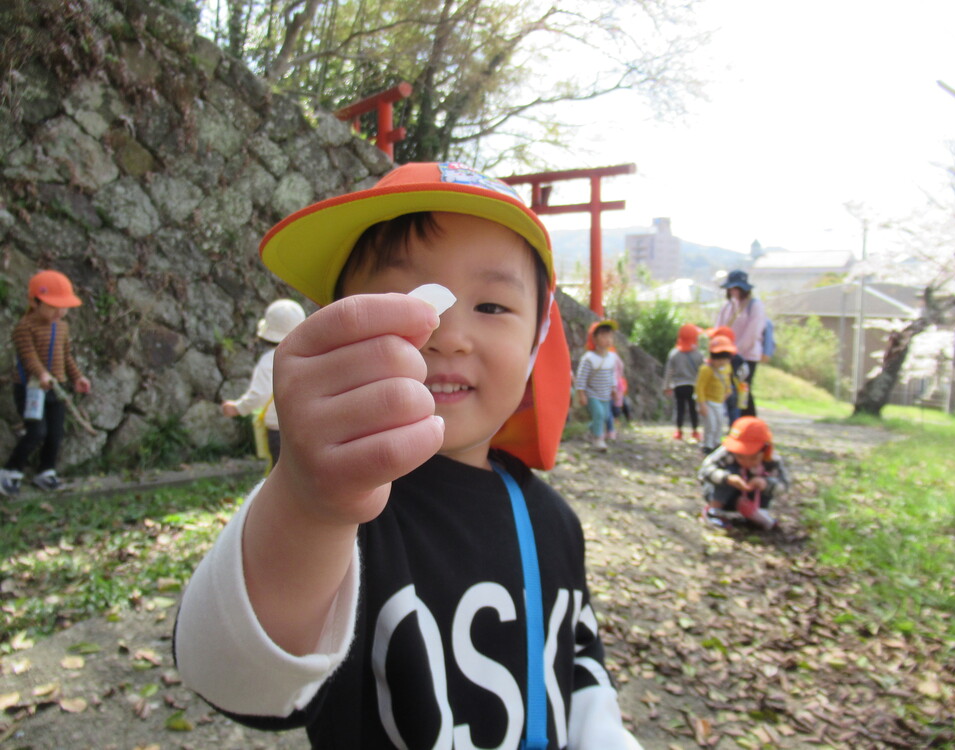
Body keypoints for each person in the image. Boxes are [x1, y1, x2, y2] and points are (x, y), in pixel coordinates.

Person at [174, 162, 641, 750]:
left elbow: (581, 667)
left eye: (492, 307)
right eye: (404, 301)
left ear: (535, 347)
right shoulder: (342, 516)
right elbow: (230, 677)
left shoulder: (555, 525)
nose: (445, 333)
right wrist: (307, 504)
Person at [1, 270, 91, 496]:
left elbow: (66, 355)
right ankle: (10, 472)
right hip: (30, 388)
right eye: (53, 306)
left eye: (64, 307)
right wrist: (41, 374)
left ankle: (46, 471)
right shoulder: (25, 327)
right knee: (36, 431)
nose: (60, 312)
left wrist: (77, 377)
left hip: (56, 389)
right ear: (35, 302)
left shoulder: (62, 327)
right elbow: (28, 355)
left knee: (55, 432)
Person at [221, 298, 306, 470]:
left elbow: (261, 394)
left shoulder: (271, 360)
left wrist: (237, 408)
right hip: (307, 428)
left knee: (281, 474)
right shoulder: (310, 356)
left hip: (279, 429)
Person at [698, 416, 790, 530]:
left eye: (753, 458)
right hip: (724, 494)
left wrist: (766, 484)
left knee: (769, 480)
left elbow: (784, 485)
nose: (746, 462)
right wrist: (727, 478)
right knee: (730, 469)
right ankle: (714, 511)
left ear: (765, 450)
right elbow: (705, 470)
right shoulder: (727, 453)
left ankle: (758, 514)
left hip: (752, 499)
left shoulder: (771, 460)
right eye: (740, 457)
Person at [714, 270, 767, 416]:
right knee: (729, 391)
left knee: (743, 390)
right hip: (726, 355)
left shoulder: (755, 306)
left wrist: (736, 351)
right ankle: (735, 423)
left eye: (736, 288)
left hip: (746, 356)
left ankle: (749, 423)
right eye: (731, 288)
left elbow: (753, 332)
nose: (732, 291)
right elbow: (719, 328)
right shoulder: (728, 306)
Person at [575, 320, 623, 451]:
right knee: (599, 414)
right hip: (592, 394)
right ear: (594, 339)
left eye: (610, 336)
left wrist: (614, 389)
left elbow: (612, 375)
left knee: (605, 416)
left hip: (606, 394)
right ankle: (598, 440)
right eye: (603, 336)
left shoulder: (612, 357)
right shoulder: (588, 358)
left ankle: (592, 429)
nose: (608, 339)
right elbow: (581, 378)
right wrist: (582, 394)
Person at [695, 335, 735, 454]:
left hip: (719, 402)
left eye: (725, 359)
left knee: (719, 424)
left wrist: (728, 391)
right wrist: (701, 404)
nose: (722, 362)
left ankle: (717, 444)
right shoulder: (706, 370)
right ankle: (707, 445)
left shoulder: (727, 368)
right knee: (710, 424)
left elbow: (727, 381)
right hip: (708, 402)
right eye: (719, 359)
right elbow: (699, 387)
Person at [662, 323, 702, 442]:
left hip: (678, 386)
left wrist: (667, 386)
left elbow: (669, 371)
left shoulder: (674, 353)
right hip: (693, 386)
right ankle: (695, 431)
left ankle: (679, 431)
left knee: (679, 408)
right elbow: (702, 372)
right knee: (693, 409)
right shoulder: (698, 355)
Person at [706, 325, 750, 426]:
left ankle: (720, 429)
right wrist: (739, 379)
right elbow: (745, 370)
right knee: (734, 411)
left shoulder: (714, 358)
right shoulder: (738, 356)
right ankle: (733, 430)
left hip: (721, 389)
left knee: (721, 410)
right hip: (735, 387)